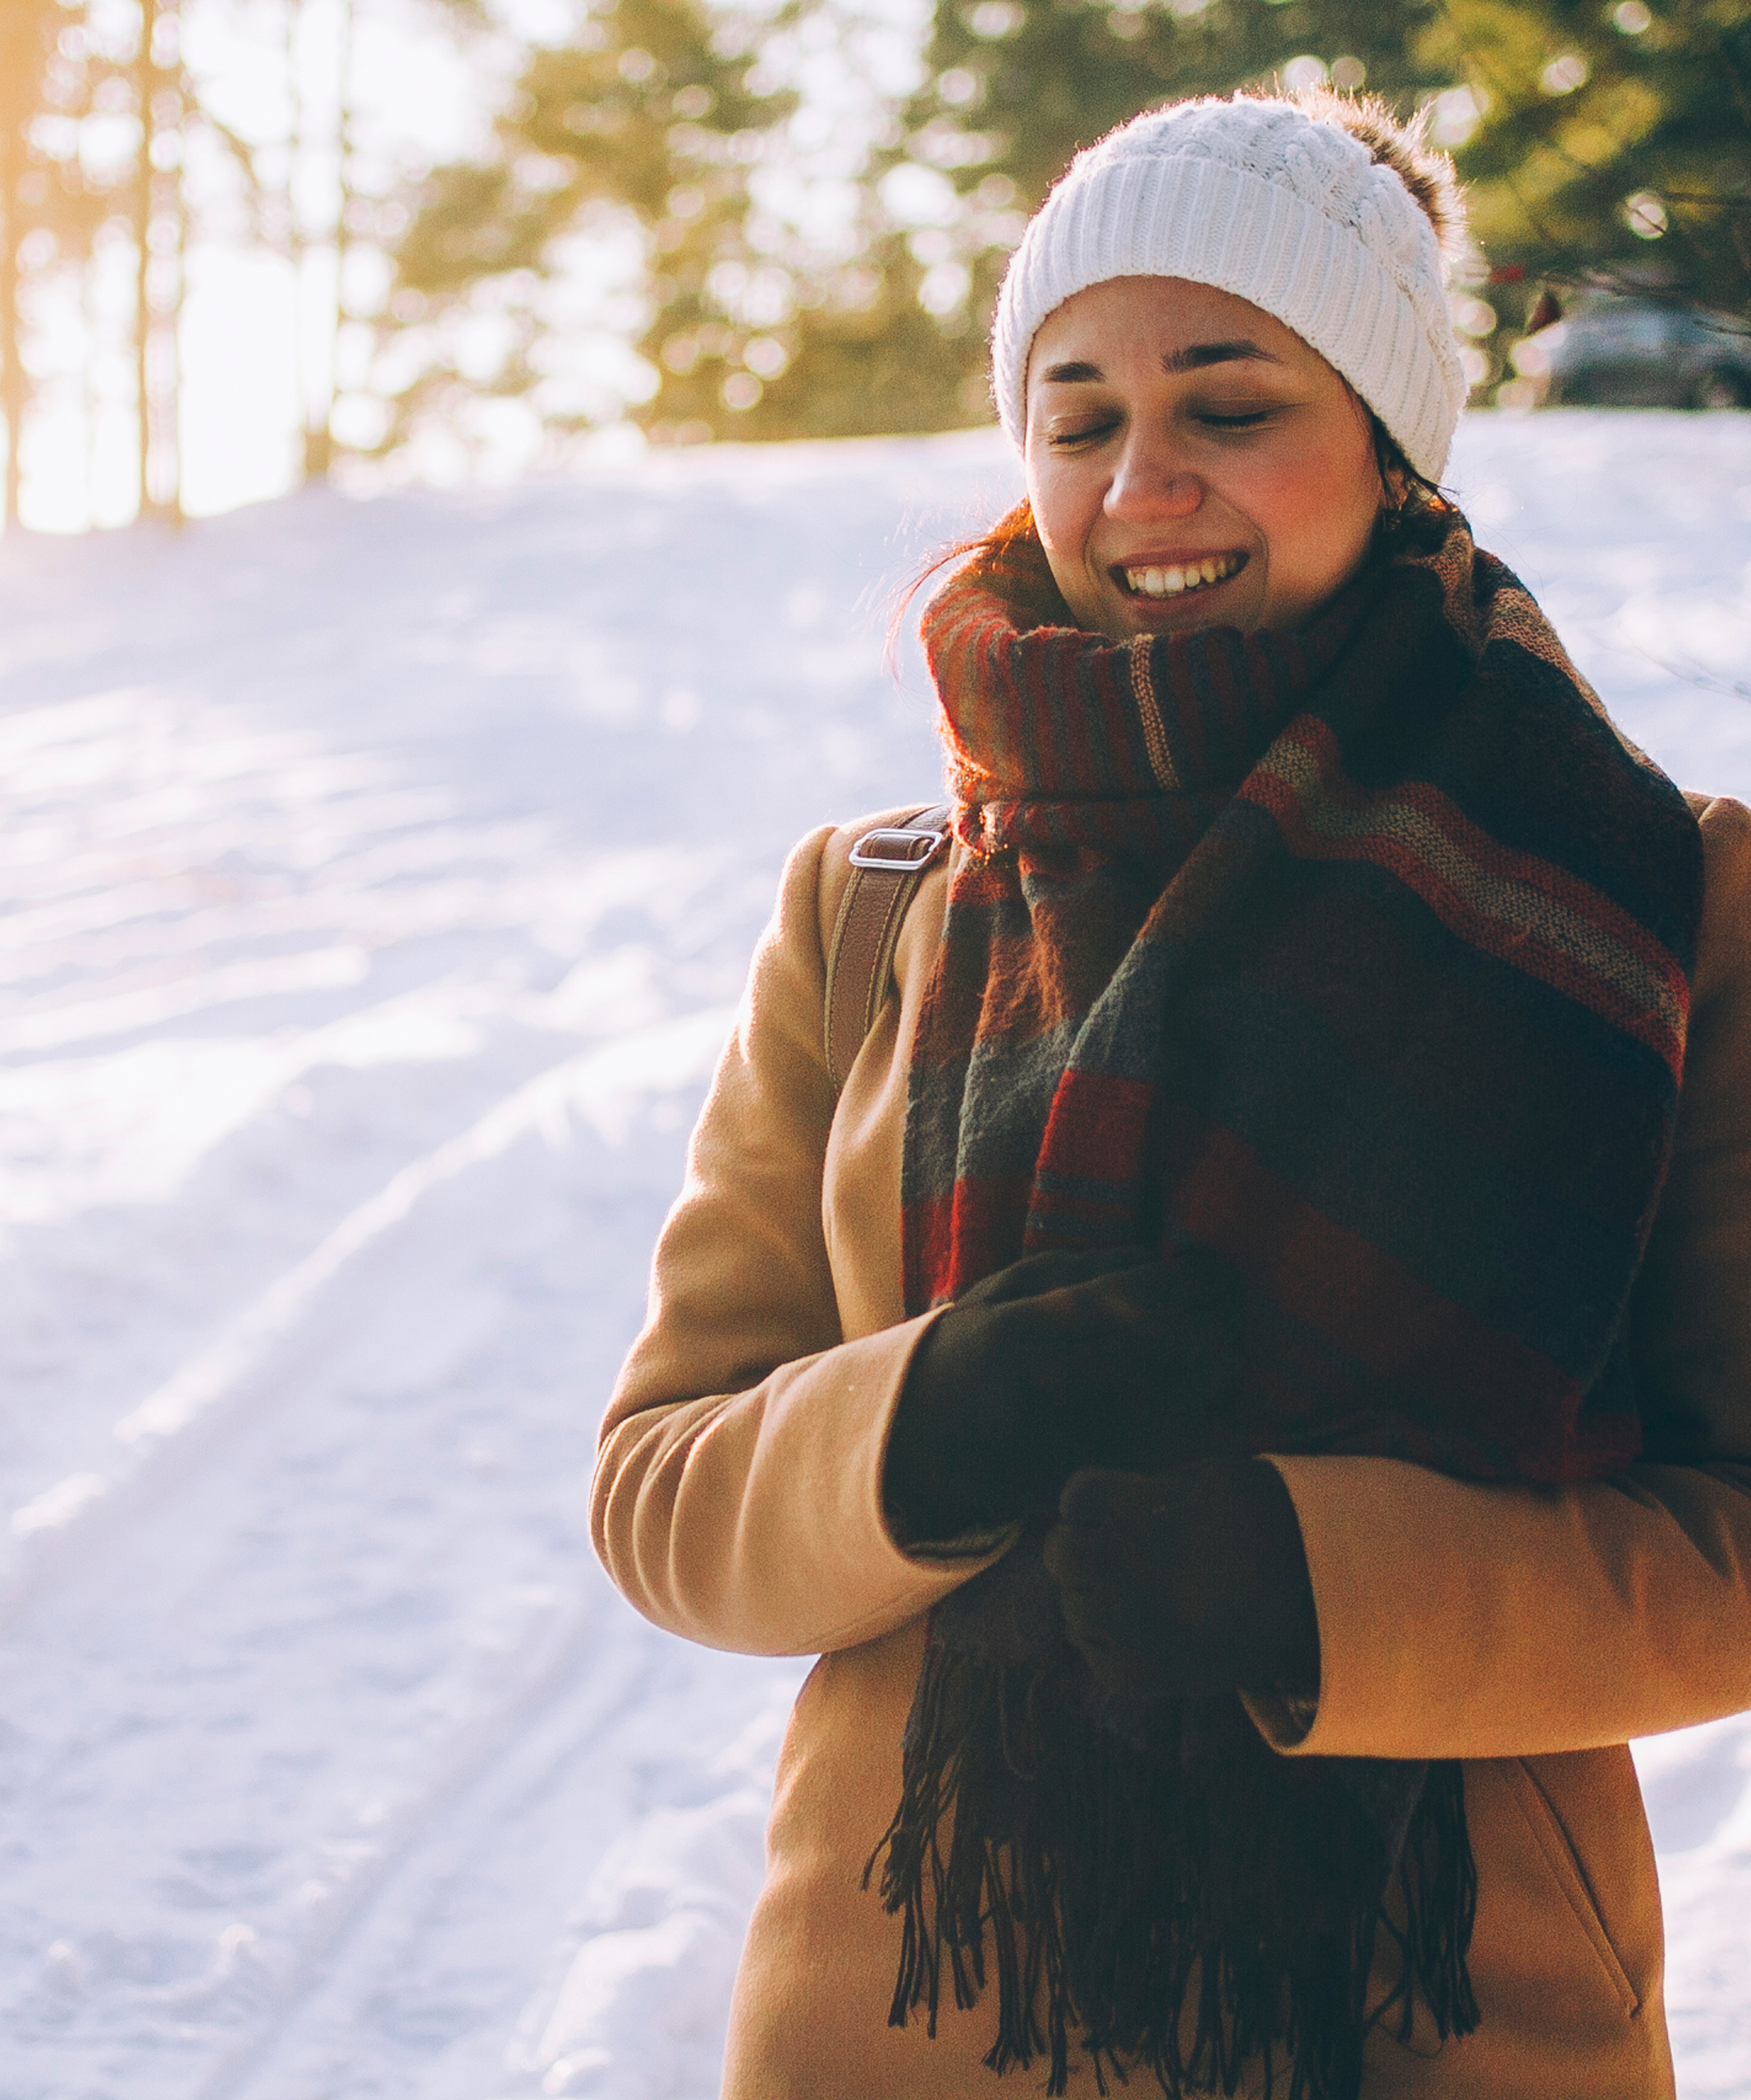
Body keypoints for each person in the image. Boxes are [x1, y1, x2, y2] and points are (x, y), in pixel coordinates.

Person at [592, 88, 1751, 2100]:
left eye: (1226, 405)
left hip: (1456, 2018)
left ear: (1387, 447)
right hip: (911, 2017)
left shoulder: (1657, 901)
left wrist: (1318, 1581)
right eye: (1076, 416)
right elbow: (657, 1493)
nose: (1142, 482)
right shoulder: (873, 915)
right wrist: (918, 1425)